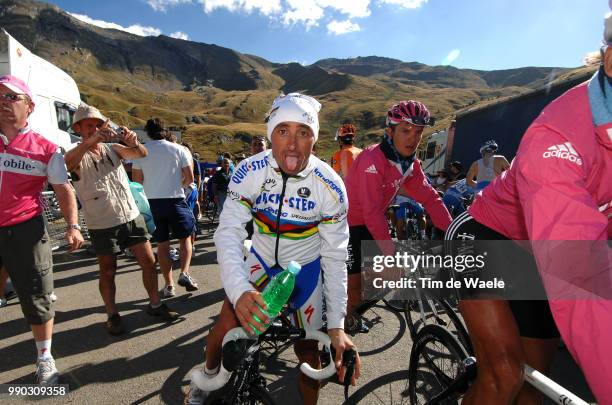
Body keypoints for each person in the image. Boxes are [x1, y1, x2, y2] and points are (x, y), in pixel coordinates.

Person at [445, 15, 612, 404]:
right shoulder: (555, 136)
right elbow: (579, 272)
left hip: (533, 252)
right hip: (483, 234)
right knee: (504, 376)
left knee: (536, 386)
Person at [186, 92, 361, 405]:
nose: (292, 144)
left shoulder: (330, 185)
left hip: (305, 273)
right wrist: (239, 291)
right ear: (271, 135)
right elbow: (228, 233)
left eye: (303, 133)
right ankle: (206, 379)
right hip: (262, 264)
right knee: (226, 326)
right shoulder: (249, 171)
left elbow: (335, 258)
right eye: (283, 131)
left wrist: (336, 324)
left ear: (314, 140)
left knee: (309, 352)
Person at [64, 105, 178, 335]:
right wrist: (91, 141)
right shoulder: (74, 153)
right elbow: (67, 164)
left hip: (129, 214)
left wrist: (133, 141)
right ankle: (112, 315)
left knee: (149, 261)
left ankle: (155, 304)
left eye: (98, 125)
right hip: (102, 222)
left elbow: (141, 154)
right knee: (108, 270)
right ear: (78, 129)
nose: (95, 129)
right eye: (89, 126)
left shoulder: (112, 149)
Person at [0, 74, 84, 383]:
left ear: (30, 106)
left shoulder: (46, 148)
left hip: (25, 229)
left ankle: (44, 358)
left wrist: (74, 226)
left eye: (12, 97)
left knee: (38, 296)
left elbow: (63, 190)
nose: (3, 102)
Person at [344, 100, 452, 333]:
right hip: (348, 224)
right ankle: (339, 321)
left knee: (384, 279)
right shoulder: (371, 160)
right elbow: (371, 212)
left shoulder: (408, 164)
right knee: (356, 287)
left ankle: (347, 305)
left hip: (369, 223)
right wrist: (390, 254)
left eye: (419, 132)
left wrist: (454, 233)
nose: (412, 138)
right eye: (405, 130)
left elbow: (431, 199)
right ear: (390, 131)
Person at [132, 118, 199, 298]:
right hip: (175, 200)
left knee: (162, 245)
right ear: (165, 130)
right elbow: (190, 178)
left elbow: (137, 181)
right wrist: (176, 184)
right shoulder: (178, 149)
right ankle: (184, 273)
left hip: (152, 203)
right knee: (185, 239)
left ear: (148, 132)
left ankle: (169, 285)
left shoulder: (141, 151)